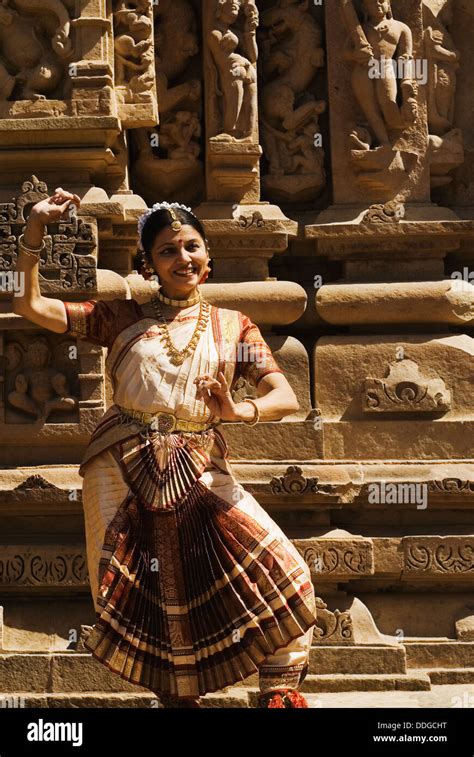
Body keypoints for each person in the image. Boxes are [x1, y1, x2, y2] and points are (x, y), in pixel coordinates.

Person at [13, 188, 318, 708]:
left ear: (208, 255)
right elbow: (30, 305)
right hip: (121, 465)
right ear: (149, 264)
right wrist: (35, 232)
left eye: (192, 247)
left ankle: (278, 696)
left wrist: (237, 412)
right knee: (146, 599)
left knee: (285, 570)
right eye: (168, 251)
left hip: (200, 464)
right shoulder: (120, 317)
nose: (184, 259)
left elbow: (283, 396)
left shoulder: (232, 326)